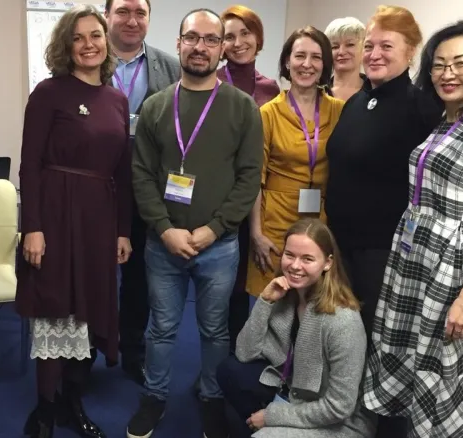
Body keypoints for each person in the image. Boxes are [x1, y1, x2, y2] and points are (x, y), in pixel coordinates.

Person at [363, 20, 463, 438]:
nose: (449, 73)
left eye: (461, 63)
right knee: (412, 353)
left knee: (443, 366)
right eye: (440, 64)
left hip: (454, 267)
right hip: (417, 253)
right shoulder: (447, 121)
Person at [127, 8, 263, 438]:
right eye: (192, 38)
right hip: (162, 244)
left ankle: (211, 398)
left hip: (218, 246)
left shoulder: (242, 108)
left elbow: (249, 178)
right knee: (161, 329)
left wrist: (215, 228)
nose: (200, 47)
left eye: (210, 39)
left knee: (215, 330)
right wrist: (165, 229)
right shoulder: (155, 106)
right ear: (179, 43)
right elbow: (141, 176)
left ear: (222, 48)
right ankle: (154, 396)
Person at [15, 5, 131, 438]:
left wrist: (122, 230)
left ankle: (72, 399)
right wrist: (32, 227)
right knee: (55, 305)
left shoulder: (117, 99)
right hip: (55, 215)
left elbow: (122, 172)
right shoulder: (49, 92)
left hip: (99, 219)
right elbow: (29, 164)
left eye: (95, 36)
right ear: (66, 45)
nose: (88, 44)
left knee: (89, 307)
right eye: (78, 37)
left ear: (106, 41)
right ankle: (45, 407)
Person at [324, 5, 442, 346]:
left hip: (383, 252)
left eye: (386, 46)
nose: (374, 54)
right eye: (370, 46)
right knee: (337, 330)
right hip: (340, 242)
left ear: (410, 51)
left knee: (369, 336)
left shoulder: (423, 108)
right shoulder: (356, 103)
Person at [218, 218, 374, 438]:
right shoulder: (286, 296)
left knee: (263, 437)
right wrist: (265, 301)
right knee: (230, 371)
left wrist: (272, 417)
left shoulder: (343, 321)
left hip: (339, 422)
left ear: (327, 263)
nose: (295, 266)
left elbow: (340, 407)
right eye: (289, 255)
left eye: (307, 259)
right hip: (294, 390)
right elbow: (244, 352)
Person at [104, 0, 180, 385]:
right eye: (123, 11)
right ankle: (87, 351)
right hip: (97, 189)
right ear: (107, 15)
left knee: (139, 279)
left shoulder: (171, 68)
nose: (131, 20)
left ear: (149, 19)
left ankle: (132, 349)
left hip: (148, 191)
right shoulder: (85, 59)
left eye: (140, 13)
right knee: (93, 273)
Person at [248, 26, 345, 299]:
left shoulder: (339, 110)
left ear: (324, 65)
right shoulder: (268, 113)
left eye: (316, 57)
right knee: (272, 302)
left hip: (321, 220)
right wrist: (256, 233)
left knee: (313, 304)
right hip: (274, 222)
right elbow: (255, 177)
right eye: (300, 55)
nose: (307, 64)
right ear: (287, 62)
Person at [217, 3, 281, 362]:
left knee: (246, 284)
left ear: (259, 38)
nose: (238, 42)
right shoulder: (211, 83)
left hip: (256, 202)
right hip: (218, 201)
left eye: (246, 33)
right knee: (220, 290)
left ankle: (240, 357)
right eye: (229, 36)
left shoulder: (271, 88)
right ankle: (215, 365)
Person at [324, 17, 366, 101]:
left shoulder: (375, 90)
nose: (341, 52)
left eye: (350, 45)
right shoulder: (317, 93)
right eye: (335, 47)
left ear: (364, 48)